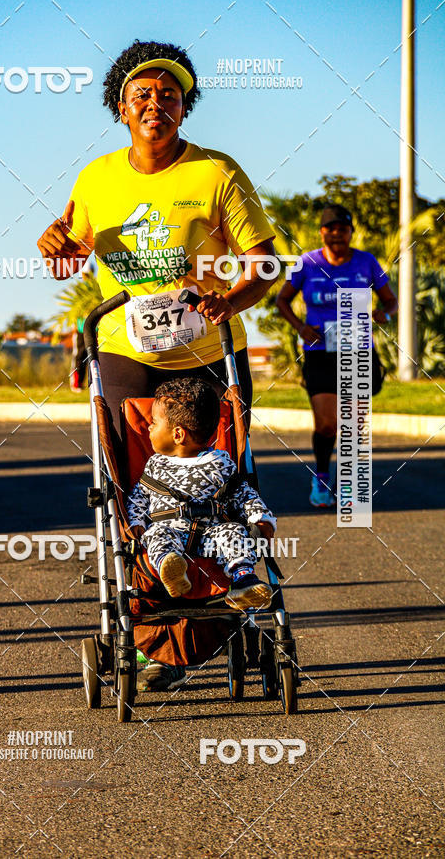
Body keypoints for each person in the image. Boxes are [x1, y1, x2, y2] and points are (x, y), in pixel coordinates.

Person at [37, 39, 277, 690]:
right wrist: (53, 241)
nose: (154, 104)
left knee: (207, 486)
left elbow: (264, 262)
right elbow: (67, 257)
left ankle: (214, 615)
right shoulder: (97, 178)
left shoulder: (216, 173)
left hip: (202, 352)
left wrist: (233, 297)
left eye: (168, 94)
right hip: (123, 350)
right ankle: (151, 634)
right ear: (121, 109)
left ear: (184, 107)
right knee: (135, 494)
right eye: (141, 95)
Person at [276, 204, 398, 508]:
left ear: (350, 232)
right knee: (327, 423)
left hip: (358, 349)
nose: (336, 234)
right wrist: (301, 327)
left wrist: (384, 314)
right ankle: (321, 476)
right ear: (322, 232)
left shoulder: (366, 262)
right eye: (330, 229)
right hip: (319, 352)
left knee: (353, 423)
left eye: (342, 229)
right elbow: (282, 300)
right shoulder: (307, 263)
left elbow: (391, 301)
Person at [126, 378, 275, 612]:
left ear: (177, 434)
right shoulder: (155, 465)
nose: (149, 428)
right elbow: (140, 496)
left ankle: (244, 580)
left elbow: (243, 493)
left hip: (212, 535)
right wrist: (135, 521)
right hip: (171, 530)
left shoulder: (220, 463)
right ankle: (172, 569)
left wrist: (259, 516)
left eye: (154, 423)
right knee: (157, 534)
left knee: (233, 532)